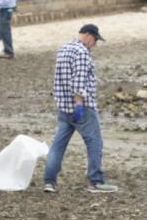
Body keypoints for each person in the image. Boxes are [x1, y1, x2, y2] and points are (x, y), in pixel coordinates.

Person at [43, 24, 118, 193]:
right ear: (89, 36)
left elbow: (59, 79)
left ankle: (49, 181)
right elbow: (78, 81)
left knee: (58, 144)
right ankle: (96, 181)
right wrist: (78, 105)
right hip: (81, 108)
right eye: (95, 40)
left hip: (63, 107)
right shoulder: (82, 52)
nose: (95, 44)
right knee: (95, 143)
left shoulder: (63, 49)